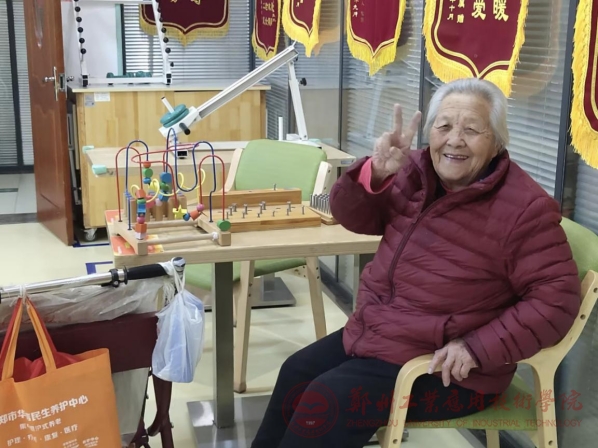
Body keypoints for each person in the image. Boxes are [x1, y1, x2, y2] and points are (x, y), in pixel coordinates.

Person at [251, 78, 581, 448]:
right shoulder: (415, 171)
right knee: (296, 372)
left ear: (497, 143)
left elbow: (557, 300)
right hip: (382, 335)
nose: (454, 140)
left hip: (447, 370)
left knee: (329, 400)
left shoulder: (524, 208)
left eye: (472, 130)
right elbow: (354, 217)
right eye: (444, 126)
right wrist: (376, 173)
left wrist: (477, 348)